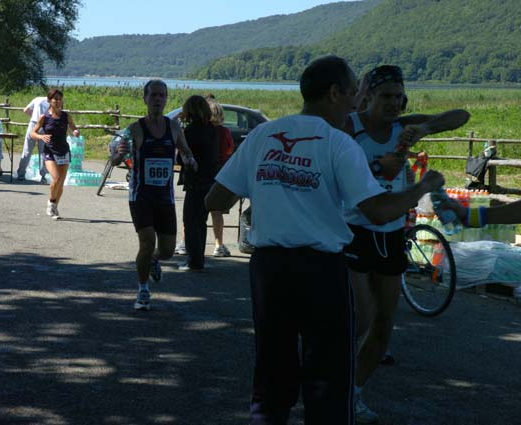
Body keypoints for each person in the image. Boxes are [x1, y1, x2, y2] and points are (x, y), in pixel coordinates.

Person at [204, 55, 445, 425]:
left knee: (272, 377)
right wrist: (422, 187)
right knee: (329, 382)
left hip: (269, 269)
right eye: (353, 93)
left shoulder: (263, 135)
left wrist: (270, 186)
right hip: (321, 270)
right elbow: (378, 211)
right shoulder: (337, 143)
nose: (357, 103)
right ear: (334, 93)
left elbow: (215, 200)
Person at [342, 65, 470, 424]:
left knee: (383, 326)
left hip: (392, 233)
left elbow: (462, 115)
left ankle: (353, 393)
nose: (394, 104)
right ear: (367, 96)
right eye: (386, 96)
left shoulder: (404, 128)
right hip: (354, 229)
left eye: (400, 97)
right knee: (360, 318)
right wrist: (374, 166)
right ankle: (324, 382)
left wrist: (426, 128)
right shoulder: (349, 126)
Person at [110, 79, 196, 311]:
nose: (158, 99)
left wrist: (190, 160)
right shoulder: (135, 129)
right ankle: (142, 290)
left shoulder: (174, 127)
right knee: (146, 242)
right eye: (154, 95)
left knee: (167, 250)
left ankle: (155, 260)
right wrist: (118, 155)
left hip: (165, 197)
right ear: (145, 99)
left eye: (162, 95)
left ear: (166, 99)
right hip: (141, 197)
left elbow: (186, 152)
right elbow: (116, 159)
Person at [179, 95, 219, 271]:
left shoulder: (190, 132)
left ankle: (193, 261)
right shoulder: (212, 130)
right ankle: (199, 258)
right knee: (201, 222)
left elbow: (182, 158)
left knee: (190, 221)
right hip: (209, 180)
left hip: (195, 181)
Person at [30, 89, 79, 220]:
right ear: (49, 101)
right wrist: (41, 137)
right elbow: (32, 133)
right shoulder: (44, 117)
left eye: (59, 99)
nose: (58, 102)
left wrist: (75, 131)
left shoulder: (65, 116)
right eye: (55, 99)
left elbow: (73, 127)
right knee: (56, 178)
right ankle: (51, 202)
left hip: (63, 150)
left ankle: (55, 206)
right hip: (50, 151)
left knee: (61, 183)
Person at [207, 99, 235, 257]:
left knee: (194, 211)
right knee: (216, 211)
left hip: (203, 173)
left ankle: (185, 242)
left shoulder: (201, 130)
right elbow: (230, 149)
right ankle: (218, 244)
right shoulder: (225, 132)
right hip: (219, 173)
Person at [17, 96, 49, 182]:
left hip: (34, 123)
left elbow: (26, 110)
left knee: (27, 150)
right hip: (45, 125)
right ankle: (43, 176)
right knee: (43, 151)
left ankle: (21, 174)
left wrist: (32, 115)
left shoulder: (37, 99)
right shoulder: (53, 102)